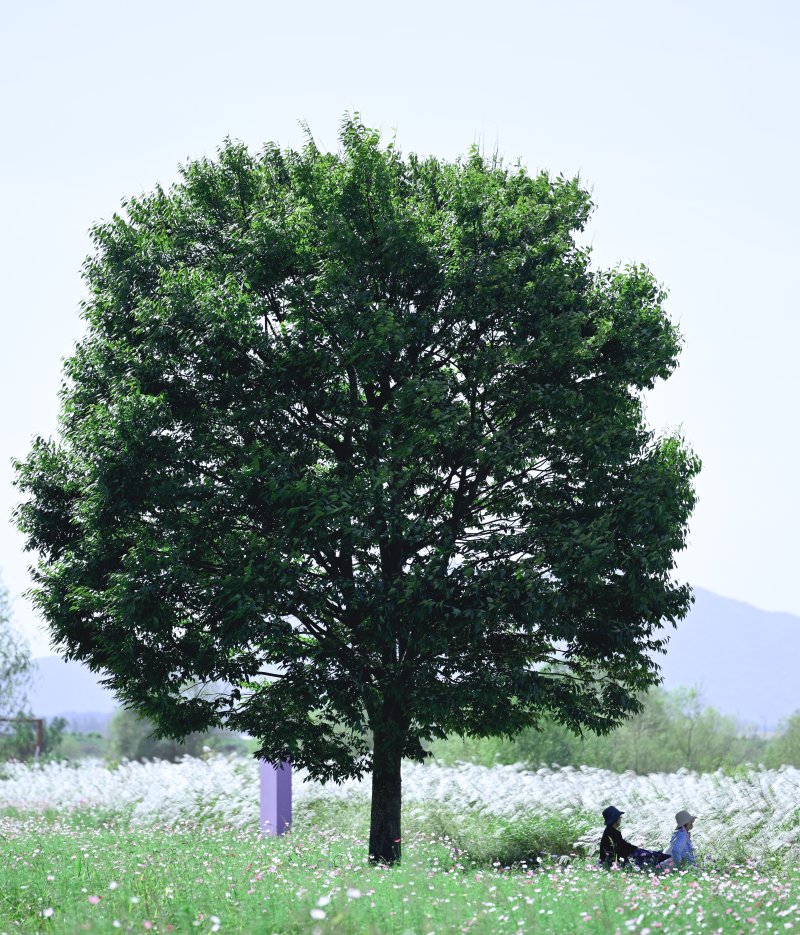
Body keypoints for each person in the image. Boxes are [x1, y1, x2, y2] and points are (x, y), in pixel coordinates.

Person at [599, 806, 670, 868]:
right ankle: (667, 859)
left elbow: (622, 846)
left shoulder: (608, 831)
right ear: (615, 820)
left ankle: (661, 855)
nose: (620, 819)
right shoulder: (614, 833)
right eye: (620, 817)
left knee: (650, 853)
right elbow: (623, 849)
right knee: (651, 855)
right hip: (618, 862)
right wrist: (635, 852)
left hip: (611, 861)